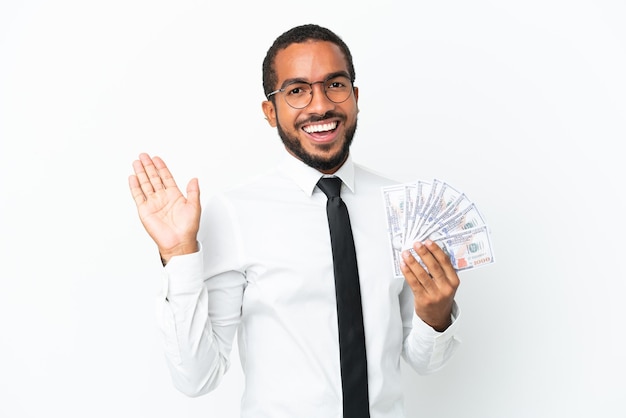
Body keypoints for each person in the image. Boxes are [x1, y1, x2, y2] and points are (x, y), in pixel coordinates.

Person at [129, 23, 461, 418]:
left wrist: (436, 313)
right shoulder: (235, 213)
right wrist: (178, 253)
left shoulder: (403, 206)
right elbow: (197, 378)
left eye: (335, 85)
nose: (320, 106)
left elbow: (425, 362)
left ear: (355, 97)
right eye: (297, 90)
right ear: (271, 111)